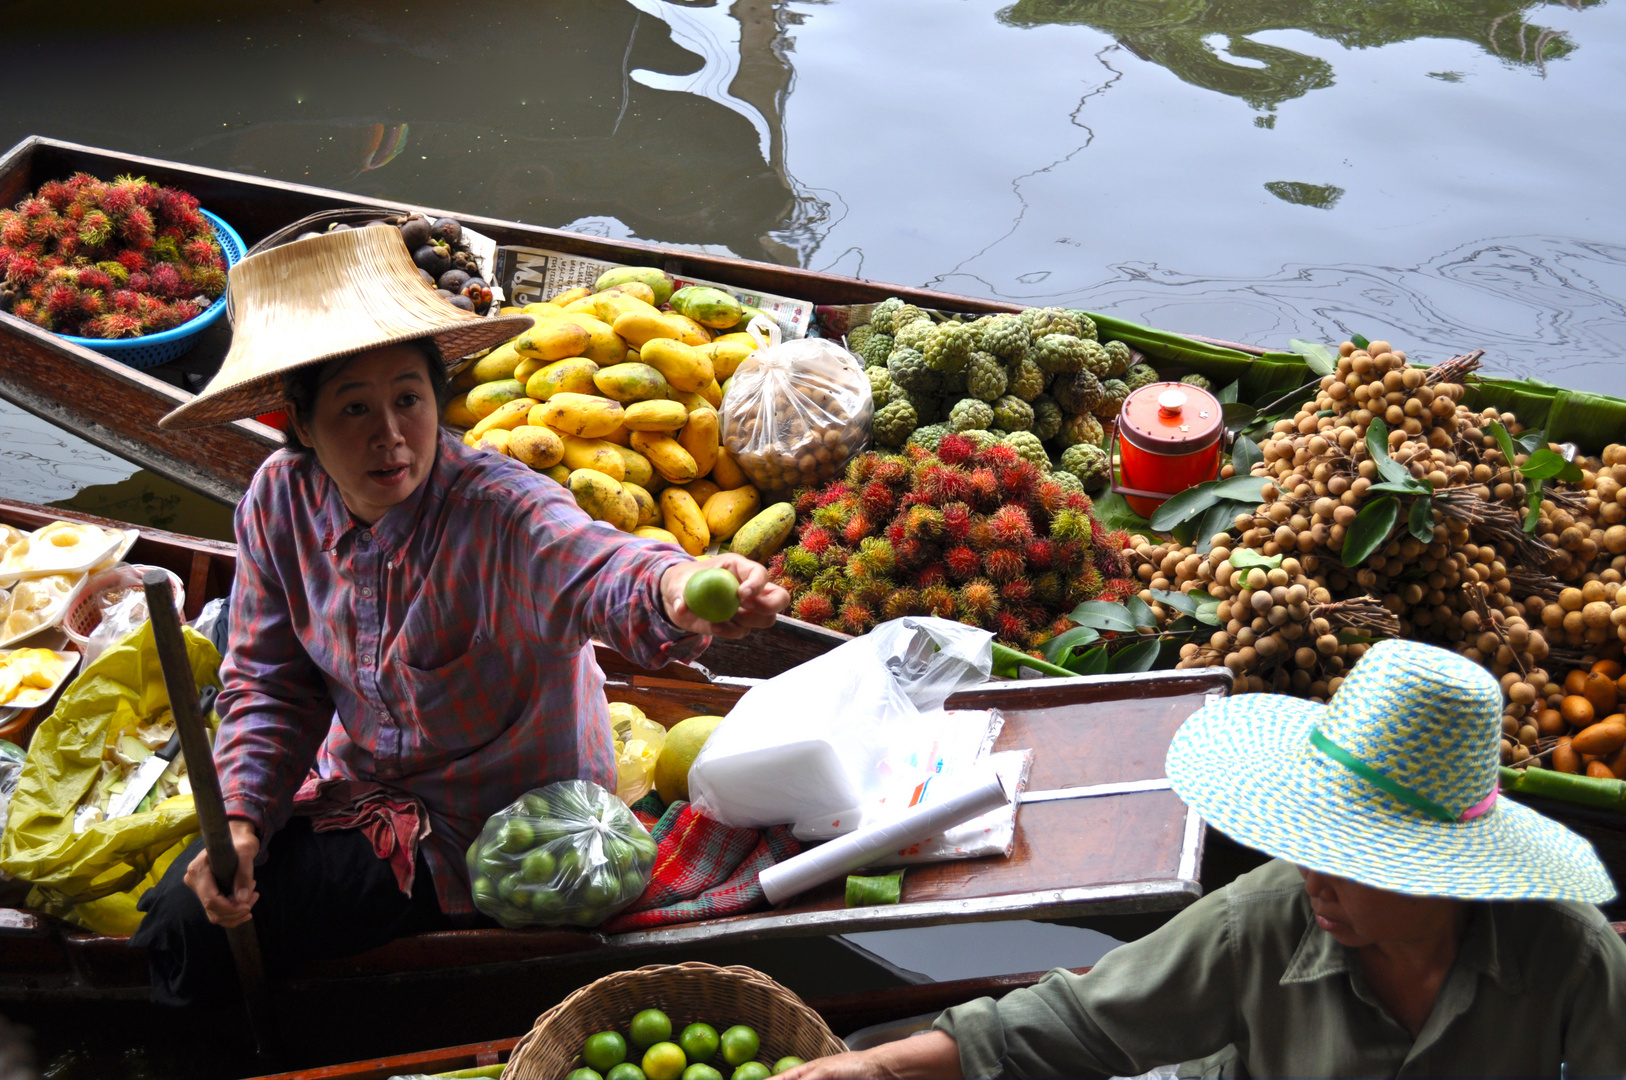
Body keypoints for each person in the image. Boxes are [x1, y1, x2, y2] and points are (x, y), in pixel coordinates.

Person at [130, 226, 788, 1004]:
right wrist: (244, 818)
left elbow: (603, 564)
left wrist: (682, 588)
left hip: (493, 819)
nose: (392, 436)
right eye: (354, 408)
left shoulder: (501, 509)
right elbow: (272, 685)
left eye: (409, 399)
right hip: (362, 779)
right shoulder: (280, 500)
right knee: (182, 910)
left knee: (189, 936)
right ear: (301, 426)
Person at [783, 639, 1626, 1078]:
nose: (1314, 876)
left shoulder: (1571, 957)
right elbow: (1070, 1028)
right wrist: (878, 1067)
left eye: (1351, 858)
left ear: (1438, 873)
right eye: (1312, 845)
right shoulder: (1263, 922)